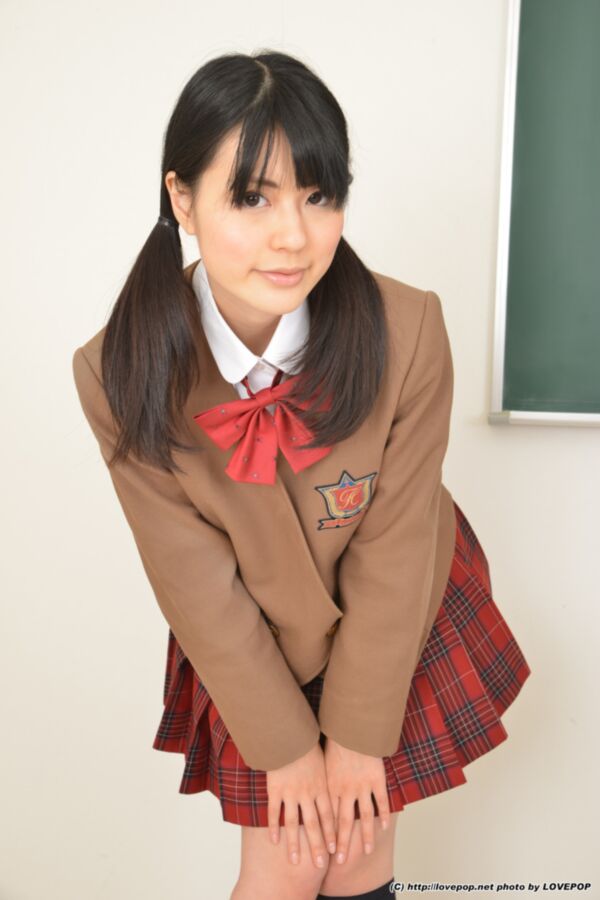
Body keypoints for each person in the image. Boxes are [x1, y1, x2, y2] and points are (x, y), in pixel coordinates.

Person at [71, 49, 532, 900]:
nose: (294, 235)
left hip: (395, 612)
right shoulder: (118, 370)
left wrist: (356, 735)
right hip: (243, 629)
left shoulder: (408, 329)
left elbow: (396, 547)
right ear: (183, 199)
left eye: (319, 196)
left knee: (356, 847)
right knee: (288, 862)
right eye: (252, 197)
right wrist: (287, 750)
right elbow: (193, 580)